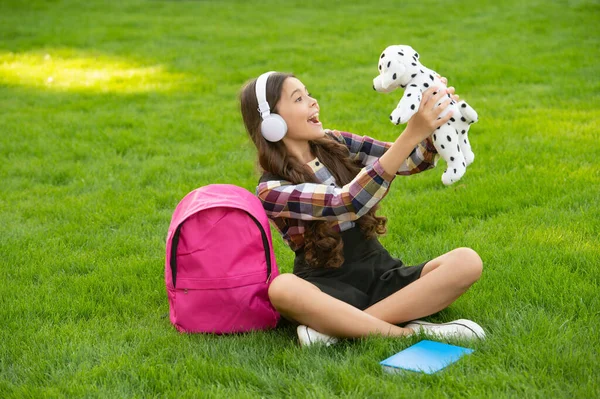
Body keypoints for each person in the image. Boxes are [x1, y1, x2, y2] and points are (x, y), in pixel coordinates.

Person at [239, 71, 485, 346]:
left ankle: (340, 327)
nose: (313, 102)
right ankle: (409, 332)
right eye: (299, 99)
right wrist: (411, 132)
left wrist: (435, 122)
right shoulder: (271, 188)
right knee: (281, 288)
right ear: (271, 121)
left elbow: (410, 160)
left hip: (381, 273)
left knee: (467, 261)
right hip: (326, 287)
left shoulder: (335, 143)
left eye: (309, 93)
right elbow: (346, 203)